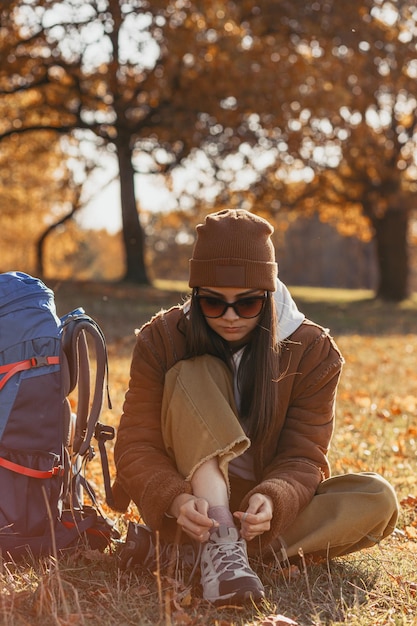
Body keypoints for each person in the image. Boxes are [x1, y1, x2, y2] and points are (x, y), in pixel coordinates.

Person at [111, 209, 398, 606]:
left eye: (246, 305)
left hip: (258, 517)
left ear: (269, 293)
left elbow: (304, 456)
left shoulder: (312, 350)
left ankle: (199, 555)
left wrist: (275, 498)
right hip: (191, 506)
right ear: (197, 294)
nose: (229, 317)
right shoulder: (162, 339)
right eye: (213, 303)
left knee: (377, 498)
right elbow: (135, 445)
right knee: (195, 372)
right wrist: (175, 499)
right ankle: (214, 541)